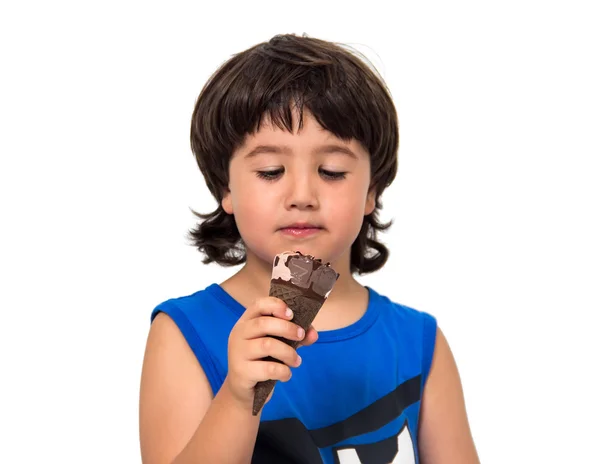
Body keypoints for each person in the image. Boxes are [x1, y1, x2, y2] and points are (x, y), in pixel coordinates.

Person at [139, 33, 480, 464]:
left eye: (332, 171)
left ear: (371, 191)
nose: (302, 194)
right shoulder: (184, 334)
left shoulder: (420, 343)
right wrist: (239, 395)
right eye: (271, 170)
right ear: (226, 188)